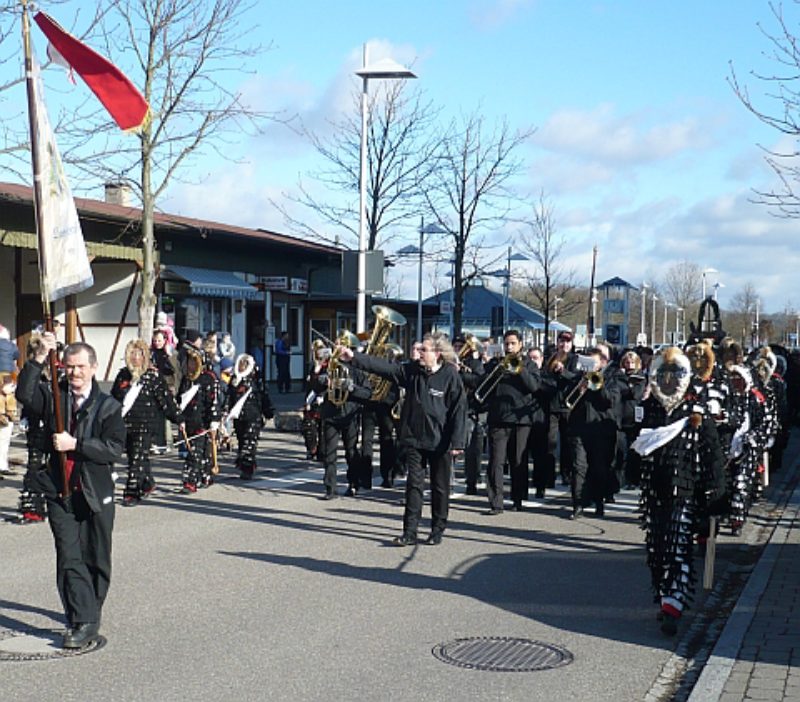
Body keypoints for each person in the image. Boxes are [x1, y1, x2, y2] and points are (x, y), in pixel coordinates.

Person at [15, 333, 126, 649]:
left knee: (96, 556)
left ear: (93, 368)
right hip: (59, 491)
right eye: (68, 367)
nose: (74, 373)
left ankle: (90, 608)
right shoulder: (55, 396)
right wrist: (38, 357)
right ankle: (83, 620)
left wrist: (76, 445)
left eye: (80, 367)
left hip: (93, 492)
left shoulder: (108, 407)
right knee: (68, 556)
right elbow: (25, 393)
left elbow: (114, 448)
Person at [632, 346, 726, 635]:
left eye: (674, 375)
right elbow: (638, 446)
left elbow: (713, 458)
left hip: (685, 493)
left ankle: (673, 605)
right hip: (655, 491)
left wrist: (716, 497)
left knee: (677, 548)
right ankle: (664, 597)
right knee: (658, 550)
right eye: (664, 375)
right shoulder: (650, 410)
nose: (669, 381)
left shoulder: (696, 413)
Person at [340, 332, 466, 546]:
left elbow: (459, 410)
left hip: (440, 441)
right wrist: (354, 358)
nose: (419, 355)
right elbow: (384, 368)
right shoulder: (412, 372)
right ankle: (410, 531)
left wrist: (457, 442)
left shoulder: (450, 376)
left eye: (424, 350)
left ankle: (437, 529)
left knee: (439, 487)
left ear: (437, 353)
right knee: (413, 486)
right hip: (414, 439)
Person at [111, 339, 184, 506]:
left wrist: (178, 419)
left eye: (139, 354)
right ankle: (147, 482)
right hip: (125, 423)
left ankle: (132, 493)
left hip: (145, 425)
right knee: (135, 456)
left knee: (136, 458)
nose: (136, 357)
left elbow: (166, 401)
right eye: (133, 354)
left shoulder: (153, 376)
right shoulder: (123, 375)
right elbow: (114, 399)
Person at [482, 330, 547, 513]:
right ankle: (496, 502)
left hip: (521, 420)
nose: (509, 347)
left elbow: (534, 387)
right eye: (506, 344)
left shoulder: (529, 365)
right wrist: (492, 368)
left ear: (520, 345)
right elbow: (483, 384)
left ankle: (517, 499)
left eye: (512, 343)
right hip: (498, 418)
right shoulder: (496, 364)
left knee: (518, 461)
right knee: (496, 461)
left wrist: (520, 369)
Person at [561, 347, 620, 519]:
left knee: (599, 468)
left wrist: (597, 386)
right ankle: (577, 505)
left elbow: (609, 401)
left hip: (601, 429)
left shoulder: (611, 378)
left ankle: (599, 503)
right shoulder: (578, 379)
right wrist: (579, 389)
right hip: (578, 428)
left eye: (592, 363)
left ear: (602, 363)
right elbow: (566, 399)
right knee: (579, 467)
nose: (589, 367)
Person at [178, 344, 222, 493]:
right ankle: (206, 475)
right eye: (189, 361)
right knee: (201, 452)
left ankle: (190, 482)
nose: (191, 364)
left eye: (193, 361)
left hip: (203, 422)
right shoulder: (187, 379)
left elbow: (214, 400)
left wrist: (214, 421)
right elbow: (180, 400)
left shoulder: (209, 379)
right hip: (189, 421)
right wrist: (179, 418)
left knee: (195, 452)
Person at [226, 353, 274, 479]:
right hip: (239, 417)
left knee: (249, 443)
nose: (242, 368)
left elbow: (264, 396)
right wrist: (225, 411)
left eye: (244, 365)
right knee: (242, 442)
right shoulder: (234, 380)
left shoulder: (256, 380)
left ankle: (248, 468)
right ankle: (243, 466)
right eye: (240, 365)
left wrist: (268, 412)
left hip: (253, 416)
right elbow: (229, 397)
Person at [545, 331, 580, 486]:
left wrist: (563, 371)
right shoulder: (551, 358)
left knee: (567, 443)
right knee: (550, 442)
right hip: (552, 405)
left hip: (567, 406)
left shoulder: (575, 359)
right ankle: (549, 476)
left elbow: (576, 378)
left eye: (567, 342)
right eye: (562, 341)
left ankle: (566, 474)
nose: (564, 344)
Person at [0, 323, 19, 476]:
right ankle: (10, 412)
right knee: (8, 394)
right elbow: (16, 360)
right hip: (8, 376)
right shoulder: (11, 346)